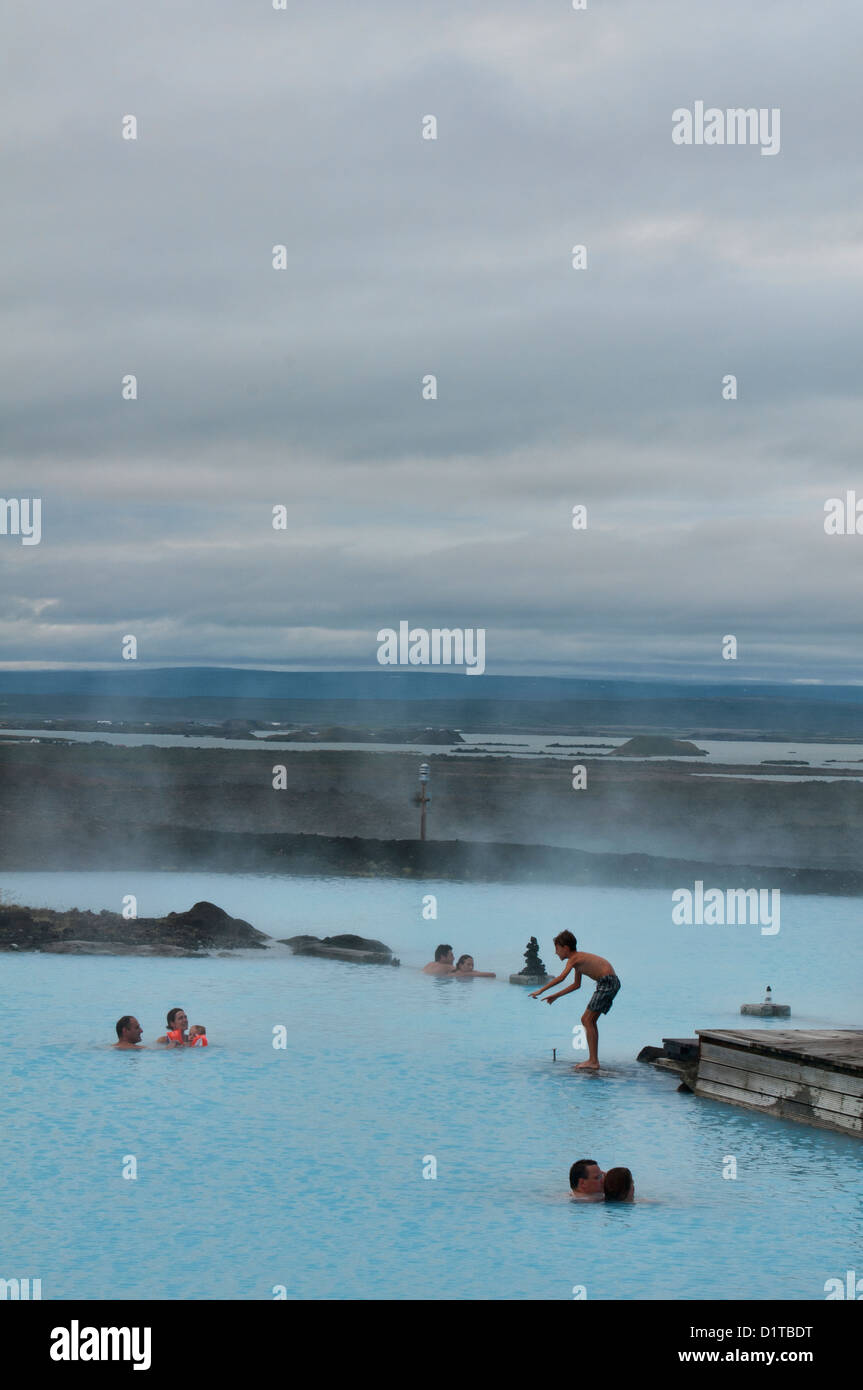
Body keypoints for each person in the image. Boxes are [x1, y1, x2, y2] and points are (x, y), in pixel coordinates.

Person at [530, 930, 621, 1070]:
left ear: (565, 948)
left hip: (607, 982)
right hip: (609, 982)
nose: (556, 953)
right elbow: (576, 985)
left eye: (557, 949)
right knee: (589, 1020)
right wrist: (555, 996)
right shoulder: (578, 961)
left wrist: (541, 990)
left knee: (587, 1020)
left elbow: (561, 978)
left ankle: (593, 1061)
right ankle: (593, 1060)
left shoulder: (575, 959)